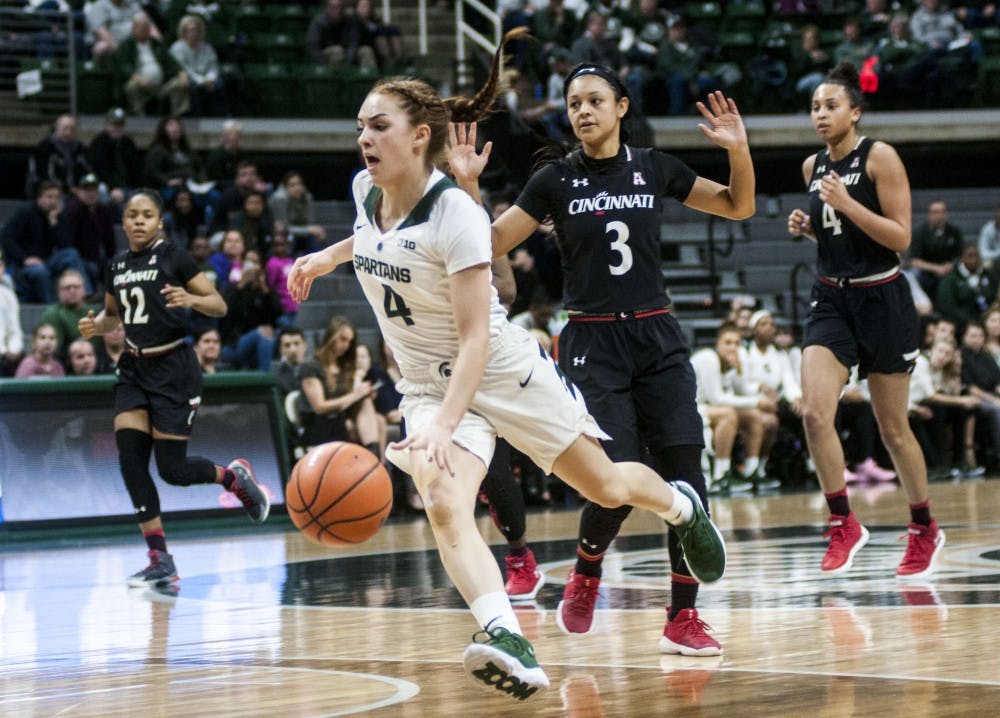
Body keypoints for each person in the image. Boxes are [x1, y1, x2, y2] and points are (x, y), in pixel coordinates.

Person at [288, 35, 727, 701]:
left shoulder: (458, 214)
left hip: (502, 373)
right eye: (360, 129)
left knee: (606, 486)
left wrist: (448, 425)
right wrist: (327, 258)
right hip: (428, 385)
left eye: (379, 127)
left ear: (420, 136)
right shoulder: (363, 191)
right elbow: (378, 238)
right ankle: (505, 634)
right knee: (442, 500)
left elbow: (474, 342)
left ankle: (678, 504)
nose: (365, 140)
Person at [448, 63, 751, 653]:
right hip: (592, 343)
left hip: (657, 336)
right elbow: (486, 244)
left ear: (621, 108)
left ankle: (682, 615)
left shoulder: (655, 166)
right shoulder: (555, 181)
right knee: (612, 479)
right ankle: (586, 570)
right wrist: (468, 187)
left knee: (686, 476)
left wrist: (738, 151)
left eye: (594, 101)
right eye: (573, 102)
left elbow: (739, 206)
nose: (582, 111)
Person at [786, 61, 943, 579]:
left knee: (894, 428)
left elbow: (900, 238)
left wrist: (848, 205)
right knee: (813, 412)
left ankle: (923, 526)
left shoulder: (880, 157)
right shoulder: (812, 167)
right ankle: (842, 522)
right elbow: (840, 236)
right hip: (831, 298)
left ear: (855, 111)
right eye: (815, 107)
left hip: (883, 299)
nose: (821, 114)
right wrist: (811, 230)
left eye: (831, 105)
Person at [77, 189, 270, 588]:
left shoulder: (174, 256)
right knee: (130, 461)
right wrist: (96, 327)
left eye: (147, 214)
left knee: (173, 470)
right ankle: (160, 558)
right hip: (133, 367)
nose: (139, 221)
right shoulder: (115, 264)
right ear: (124, 222)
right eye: (132, 215)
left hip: (174, 369)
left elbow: (219, 305)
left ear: (160, 221)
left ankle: (233, 479)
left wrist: (189, 299)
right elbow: (114, 317)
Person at [87, 107, 142, 208]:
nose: (117, 128)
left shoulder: (128, 143)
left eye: (120, 125)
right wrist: (113, 188)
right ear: (106, 125)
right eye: (114, 125)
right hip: (106, 188)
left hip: (127, 188)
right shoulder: (99, 143)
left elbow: (136, 168)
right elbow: (99, 169)